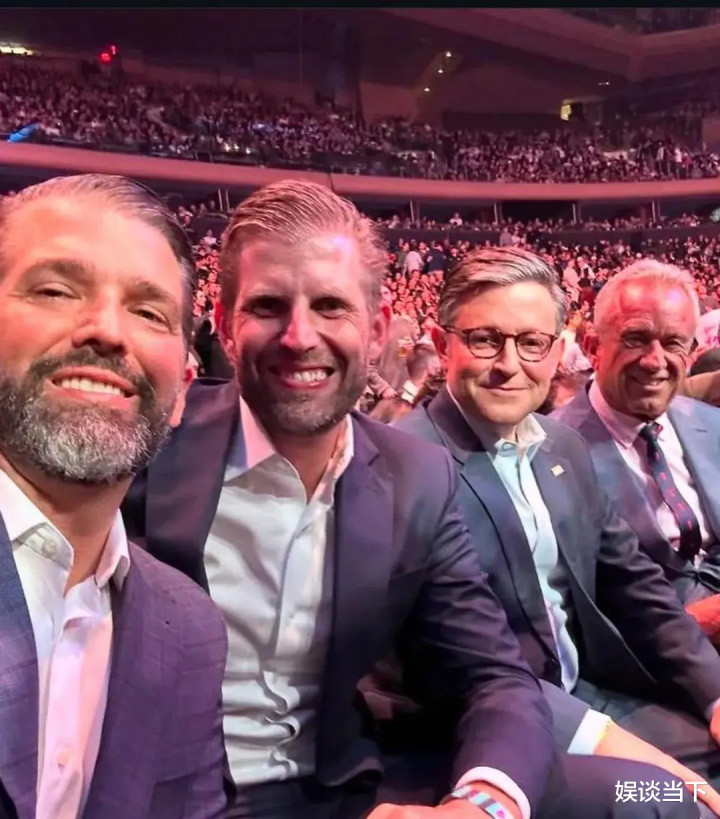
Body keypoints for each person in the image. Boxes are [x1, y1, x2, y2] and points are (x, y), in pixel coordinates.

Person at [125, 181, 705, 819]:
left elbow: (498, 668)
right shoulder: (147, 444)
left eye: (330, 306)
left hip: (384, 776)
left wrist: (481, 804)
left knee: (668, 799)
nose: (299, 336)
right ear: (224, 325)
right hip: (190, 793)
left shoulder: (427, 472)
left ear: (377, 330)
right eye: (267, 306)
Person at [396, 246, 720, 811]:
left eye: (531, 342)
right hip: (492, 733)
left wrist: (716, 694)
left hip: (592, 695)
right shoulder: (408, 465)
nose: (509, 364)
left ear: (556, 350)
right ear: (443, 344)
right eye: (485, 339)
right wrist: (658, 769)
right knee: (672, 800)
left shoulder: (561, 446)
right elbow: (460, 664)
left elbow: (635, 587)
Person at [0, 174, 228, 819]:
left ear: (182, 392)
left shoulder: (189, 628)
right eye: (55, 290)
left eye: (149, 312)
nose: (106, 330)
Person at [555, 260, 720, 605]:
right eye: (636, 339)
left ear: (691, 354)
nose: (654, 361)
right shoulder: (550, 451)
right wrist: (697, 623)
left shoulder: (712, 424)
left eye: (673, 343)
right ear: (593, 347)